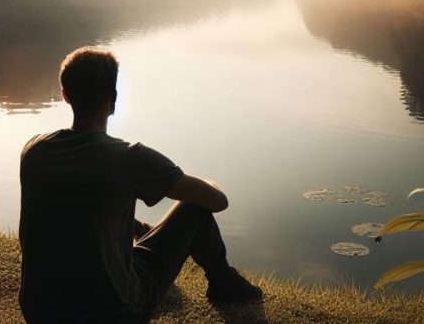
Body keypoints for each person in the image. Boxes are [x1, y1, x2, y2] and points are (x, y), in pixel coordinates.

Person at [18, 46, 262, 323]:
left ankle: (207, 271)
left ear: (65, 95)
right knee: (194, 211)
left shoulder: (34, 150)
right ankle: (225, 285)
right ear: (113, 99)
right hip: (113, 313)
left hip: (39, 311)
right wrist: (209, 182)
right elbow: (218, 201)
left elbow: (78, 202)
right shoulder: (129, 158)